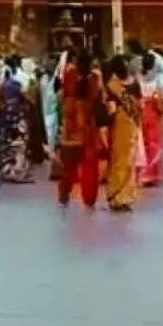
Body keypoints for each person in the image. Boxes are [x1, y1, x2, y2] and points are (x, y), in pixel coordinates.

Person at [57, 49, 100, 209]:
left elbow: (64, 94)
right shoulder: (93, 78)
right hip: (87, 125)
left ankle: (64, 195)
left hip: (71, 123)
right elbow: (96, 98)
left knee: (68, 164)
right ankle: (89, 199)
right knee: (89, 165)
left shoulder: (70, 74)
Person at [103, 56, 140, 211]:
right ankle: (124, 196)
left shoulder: (111, 85)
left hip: (119, 125)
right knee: (128, 161)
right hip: (131, 124)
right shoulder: (134, 84)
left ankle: (115, 195)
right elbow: (140, 105)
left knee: (118, 160)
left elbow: (110, 109)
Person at [0, 61, 36, 185]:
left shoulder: (3, 86)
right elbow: (28, 100)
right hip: (17, 118)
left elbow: (0, 101)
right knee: (20, 147)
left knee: (7, 146)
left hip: (5, 119)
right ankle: (18, 173)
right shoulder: (18, 85)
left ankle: (6, 171)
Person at [137, 51, 163, 187]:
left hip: (141, 111)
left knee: (142, 143)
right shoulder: (158, 80)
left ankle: (143, 174)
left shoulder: (138, 78)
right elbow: (162, 97)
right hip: (154, 113)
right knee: (155, 144)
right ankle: (152, 174)